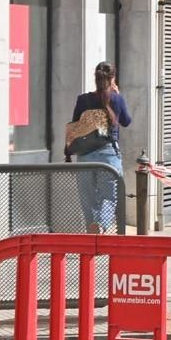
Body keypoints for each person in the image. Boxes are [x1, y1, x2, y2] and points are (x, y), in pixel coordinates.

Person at [67, 62, 132, 234]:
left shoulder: (83, 100)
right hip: (108, 155)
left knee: (87, 196)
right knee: (109, 196)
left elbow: (75, 125)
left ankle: (91, 227)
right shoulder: (116, 99)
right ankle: (102, 225)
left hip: (85, 155)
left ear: (95, 79)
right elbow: (126, 121)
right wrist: (117, 94)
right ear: (112, 78)